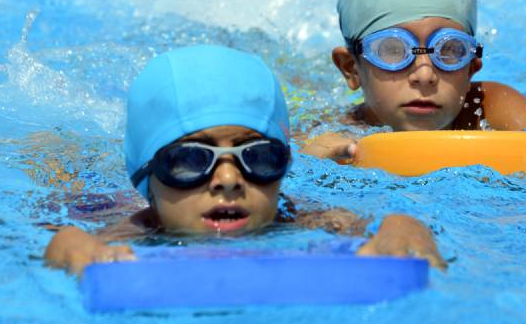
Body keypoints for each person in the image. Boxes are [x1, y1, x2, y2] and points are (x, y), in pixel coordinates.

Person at [44, 45, 445, 274]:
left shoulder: (300, 218)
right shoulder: (125, 235)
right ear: (146, 174)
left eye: (259, 157)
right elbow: (67, 244)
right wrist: (70, 246)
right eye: (189, 160)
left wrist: (404, 226)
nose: (228, 180)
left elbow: (378, 227)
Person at [301, 0, 526, 161]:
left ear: (470, 69)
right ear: (351, 68)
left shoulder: (488, 108)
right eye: (394, 49)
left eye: (448, 50)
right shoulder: (329, 142)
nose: (424, 75)